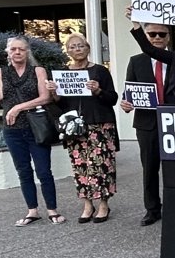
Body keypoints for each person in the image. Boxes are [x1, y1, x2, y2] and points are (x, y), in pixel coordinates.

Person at [0, 37, 64, 225]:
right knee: (23, 171)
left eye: (21, 49)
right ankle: (32, 211)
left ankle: (52, 210)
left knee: (44, 171)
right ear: (8, 52)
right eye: (13, 49)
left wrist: (17, 108)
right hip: (12, 129)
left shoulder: (37, 70)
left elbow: (45, 98)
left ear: (27, 51)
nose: (17, 52)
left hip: (36, 127)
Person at [45, 33, 119, 224]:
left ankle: (103, 204)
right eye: (72, 47)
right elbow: (59, 105)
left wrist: (98, 90)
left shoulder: (100, 71)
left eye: (80, 45)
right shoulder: (62, 74)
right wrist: (54, 94)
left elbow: (113, 98)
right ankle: (87, 204)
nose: (77, 49)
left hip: (99, 123)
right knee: (80, 166)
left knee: (102, 165)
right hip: (74, 127)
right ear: (67, 51)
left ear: (88, 48)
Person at [119, 20, 175, 226]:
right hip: (147, 124)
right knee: (150, 169)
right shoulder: (136, 61)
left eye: (162, 34)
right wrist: (126, 103)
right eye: (152, 34)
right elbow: (129, 91)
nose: (157, 38)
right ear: (146, 36)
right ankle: (152, 209)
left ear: (168, 37)